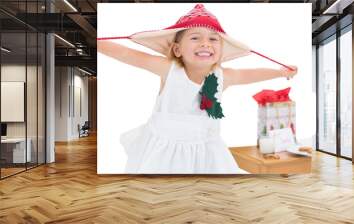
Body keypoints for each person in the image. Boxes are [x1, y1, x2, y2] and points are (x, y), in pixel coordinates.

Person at [97, 4, 297, 174]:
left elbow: (250, 74)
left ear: (220, 51)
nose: (205, 44)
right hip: (165, 150)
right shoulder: (169, 69)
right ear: (177, 49)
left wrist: (280, 72)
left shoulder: (221, 76)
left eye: (213, 39)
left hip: (207, 150)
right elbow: (126, 54)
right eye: (195, 38)